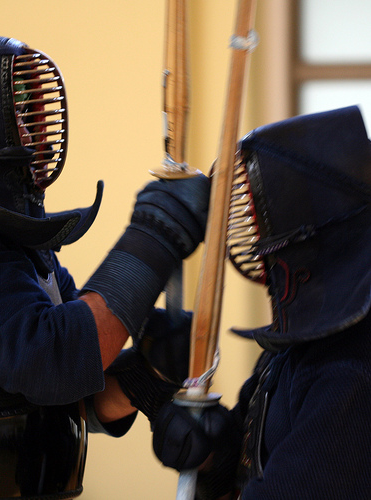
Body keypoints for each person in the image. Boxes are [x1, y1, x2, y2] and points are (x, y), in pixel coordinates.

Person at [0, 35, 211, 499]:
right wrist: (155, 236)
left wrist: (145, 377)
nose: (33, 139)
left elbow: (73, 396)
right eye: (19, 120)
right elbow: (58, 360)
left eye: (34, 118)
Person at [151, 105, 371, 499]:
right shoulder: (293, 347)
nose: (254, 239)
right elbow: (246, 462)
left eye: (262, 217)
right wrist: (209, 450)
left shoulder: (353, 367)